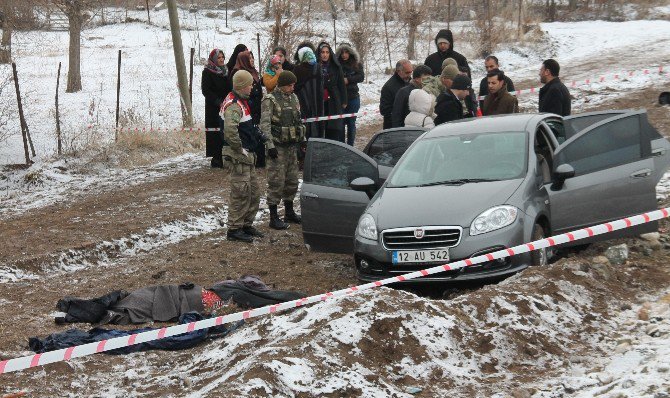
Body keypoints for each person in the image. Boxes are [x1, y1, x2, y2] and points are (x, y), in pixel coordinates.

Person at [220, 70, 270, 243]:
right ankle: (234, 229)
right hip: (238, 157)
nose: (252, 87)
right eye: (250, 84)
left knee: (253, 192)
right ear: (242, 86)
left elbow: (245, 126)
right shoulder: (234, 105)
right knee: (240, 193)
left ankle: (246, 225)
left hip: (247, 156)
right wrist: (239, 148)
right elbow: (230, 131)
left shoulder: (242, 102)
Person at [260, 71, 306, 230]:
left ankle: (289, 212)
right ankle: (273, 217)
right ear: (282, 85)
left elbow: (298, 120)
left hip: (291, 146)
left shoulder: (294, 98)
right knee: (276, 182)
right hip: (278, 148)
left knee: (292, 180)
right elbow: (264, 125)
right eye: (290, 85)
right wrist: (270, 146)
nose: (292, 88)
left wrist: (302, 141)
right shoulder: (270, 100)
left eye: (293, 85)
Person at [231, 51, 265, 167]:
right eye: (249, 58)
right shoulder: (239, 73)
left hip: (255, 108)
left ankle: (258, 159)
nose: (252, 60)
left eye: (252, 57)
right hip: (245, 108)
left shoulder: (253, 72)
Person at [201, 48, 232, 168]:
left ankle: (226, 155)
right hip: (214, 107)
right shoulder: (208, 72)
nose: (221, 59)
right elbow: (206, 90)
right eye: (219, 58)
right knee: (215, 132)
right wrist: (218, 102)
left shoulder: (225, 71)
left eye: (222, 57)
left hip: (226, 105)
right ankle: (216, 158)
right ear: (213, 59)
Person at [317, 41, 347, 142]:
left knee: (333, 127)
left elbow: (341, 84)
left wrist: (344, 100)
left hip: (334, 99)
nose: (325, 55)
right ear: (319, 53)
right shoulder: (316, 67)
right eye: (322, 52)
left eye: (327, 52)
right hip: (319, 101)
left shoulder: (335, 66)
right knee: (320, 127)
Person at [293, 44, 324, 139]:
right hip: (317, 102)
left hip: (303, 102)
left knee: (305, 127)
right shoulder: (317, 68)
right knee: (317, 126)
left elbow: (294, 87)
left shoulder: (297, 69)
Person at [336, 42, 364, 146]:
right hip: (340, 98)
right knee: (341, 124)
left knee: (351, 123)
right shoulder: (336, 64)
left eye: (346, 52)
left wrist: (348, 80)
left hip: (353, 97)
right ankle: (342, 146)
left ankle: (351, 146)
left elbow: (361, 77)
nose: (344, 55)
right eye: (342, 52)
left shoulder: (356, 64)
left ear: (350, 52)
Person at [380, 60, 412, 129]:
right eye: (407, 73)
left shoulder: (410, 82)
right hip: (393, 126)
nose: (409, 75)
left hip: (409, 124)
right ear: (398, 71)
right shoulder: (388, 87)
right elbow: (384, 110)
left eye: (411, 72)